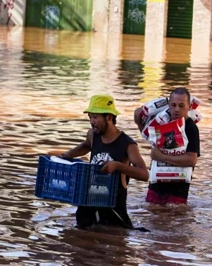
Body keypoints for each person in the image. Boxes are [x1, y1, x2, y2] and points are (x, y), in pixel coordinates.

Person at [59, 94, 149, 229]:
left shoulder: (128, 144)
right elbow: (86, 146)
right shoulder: (92, 135)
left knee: (115, 241)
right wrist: (66, 155)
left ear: (109, 117)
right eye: (90, 117)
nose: (91, 121)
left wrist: (118, 166)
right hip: (89, 201)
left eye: (95, 117)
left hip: (113, 208)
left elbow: (144, 174)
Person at [145, 87, 201, 205]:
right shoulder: (162, 123)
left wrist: (162, 157)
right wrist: (138, 119)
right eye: (173, 105)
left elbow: (191, 160)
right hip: (155, 187)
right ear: (168, 106)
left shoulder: (191, 128)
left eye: (181, 106)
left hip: (177, 191)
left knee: (175, 217)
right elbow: (147, 135)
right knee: (151, 218)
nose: (176, 110)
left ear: (189, 107)